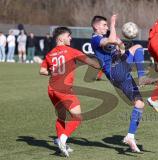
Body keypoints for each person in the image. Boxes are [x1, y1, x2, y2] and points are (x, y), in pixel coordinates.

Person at [91, 15, 149, 152]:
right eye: (104, 25)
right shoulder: (95, 39)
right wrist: (112, 23)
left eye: (107, 25)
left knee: (139, 103)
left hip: (119, 69)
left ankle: (130, 136)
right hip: (115, 70)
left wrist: (120, 46)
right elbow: (110, 40)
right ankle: (142, 77)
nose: (106, 27)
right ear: (96, 27)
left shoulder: (106, 40)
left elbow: (119, 46)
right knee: (138, 47)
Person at [39, 27, 100, 157]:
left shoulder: (50, 54)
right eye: (68, 36)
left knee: (61, 116)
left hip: (52, 90)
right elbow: (94, 64)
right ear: (61, 38)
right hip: (64, 89)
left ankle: (61, 142)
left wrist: (54, 71)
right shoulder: (71, 51)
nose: (71, 38)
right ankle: (62, 140)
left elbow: (42, 71)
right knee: (77, 117)